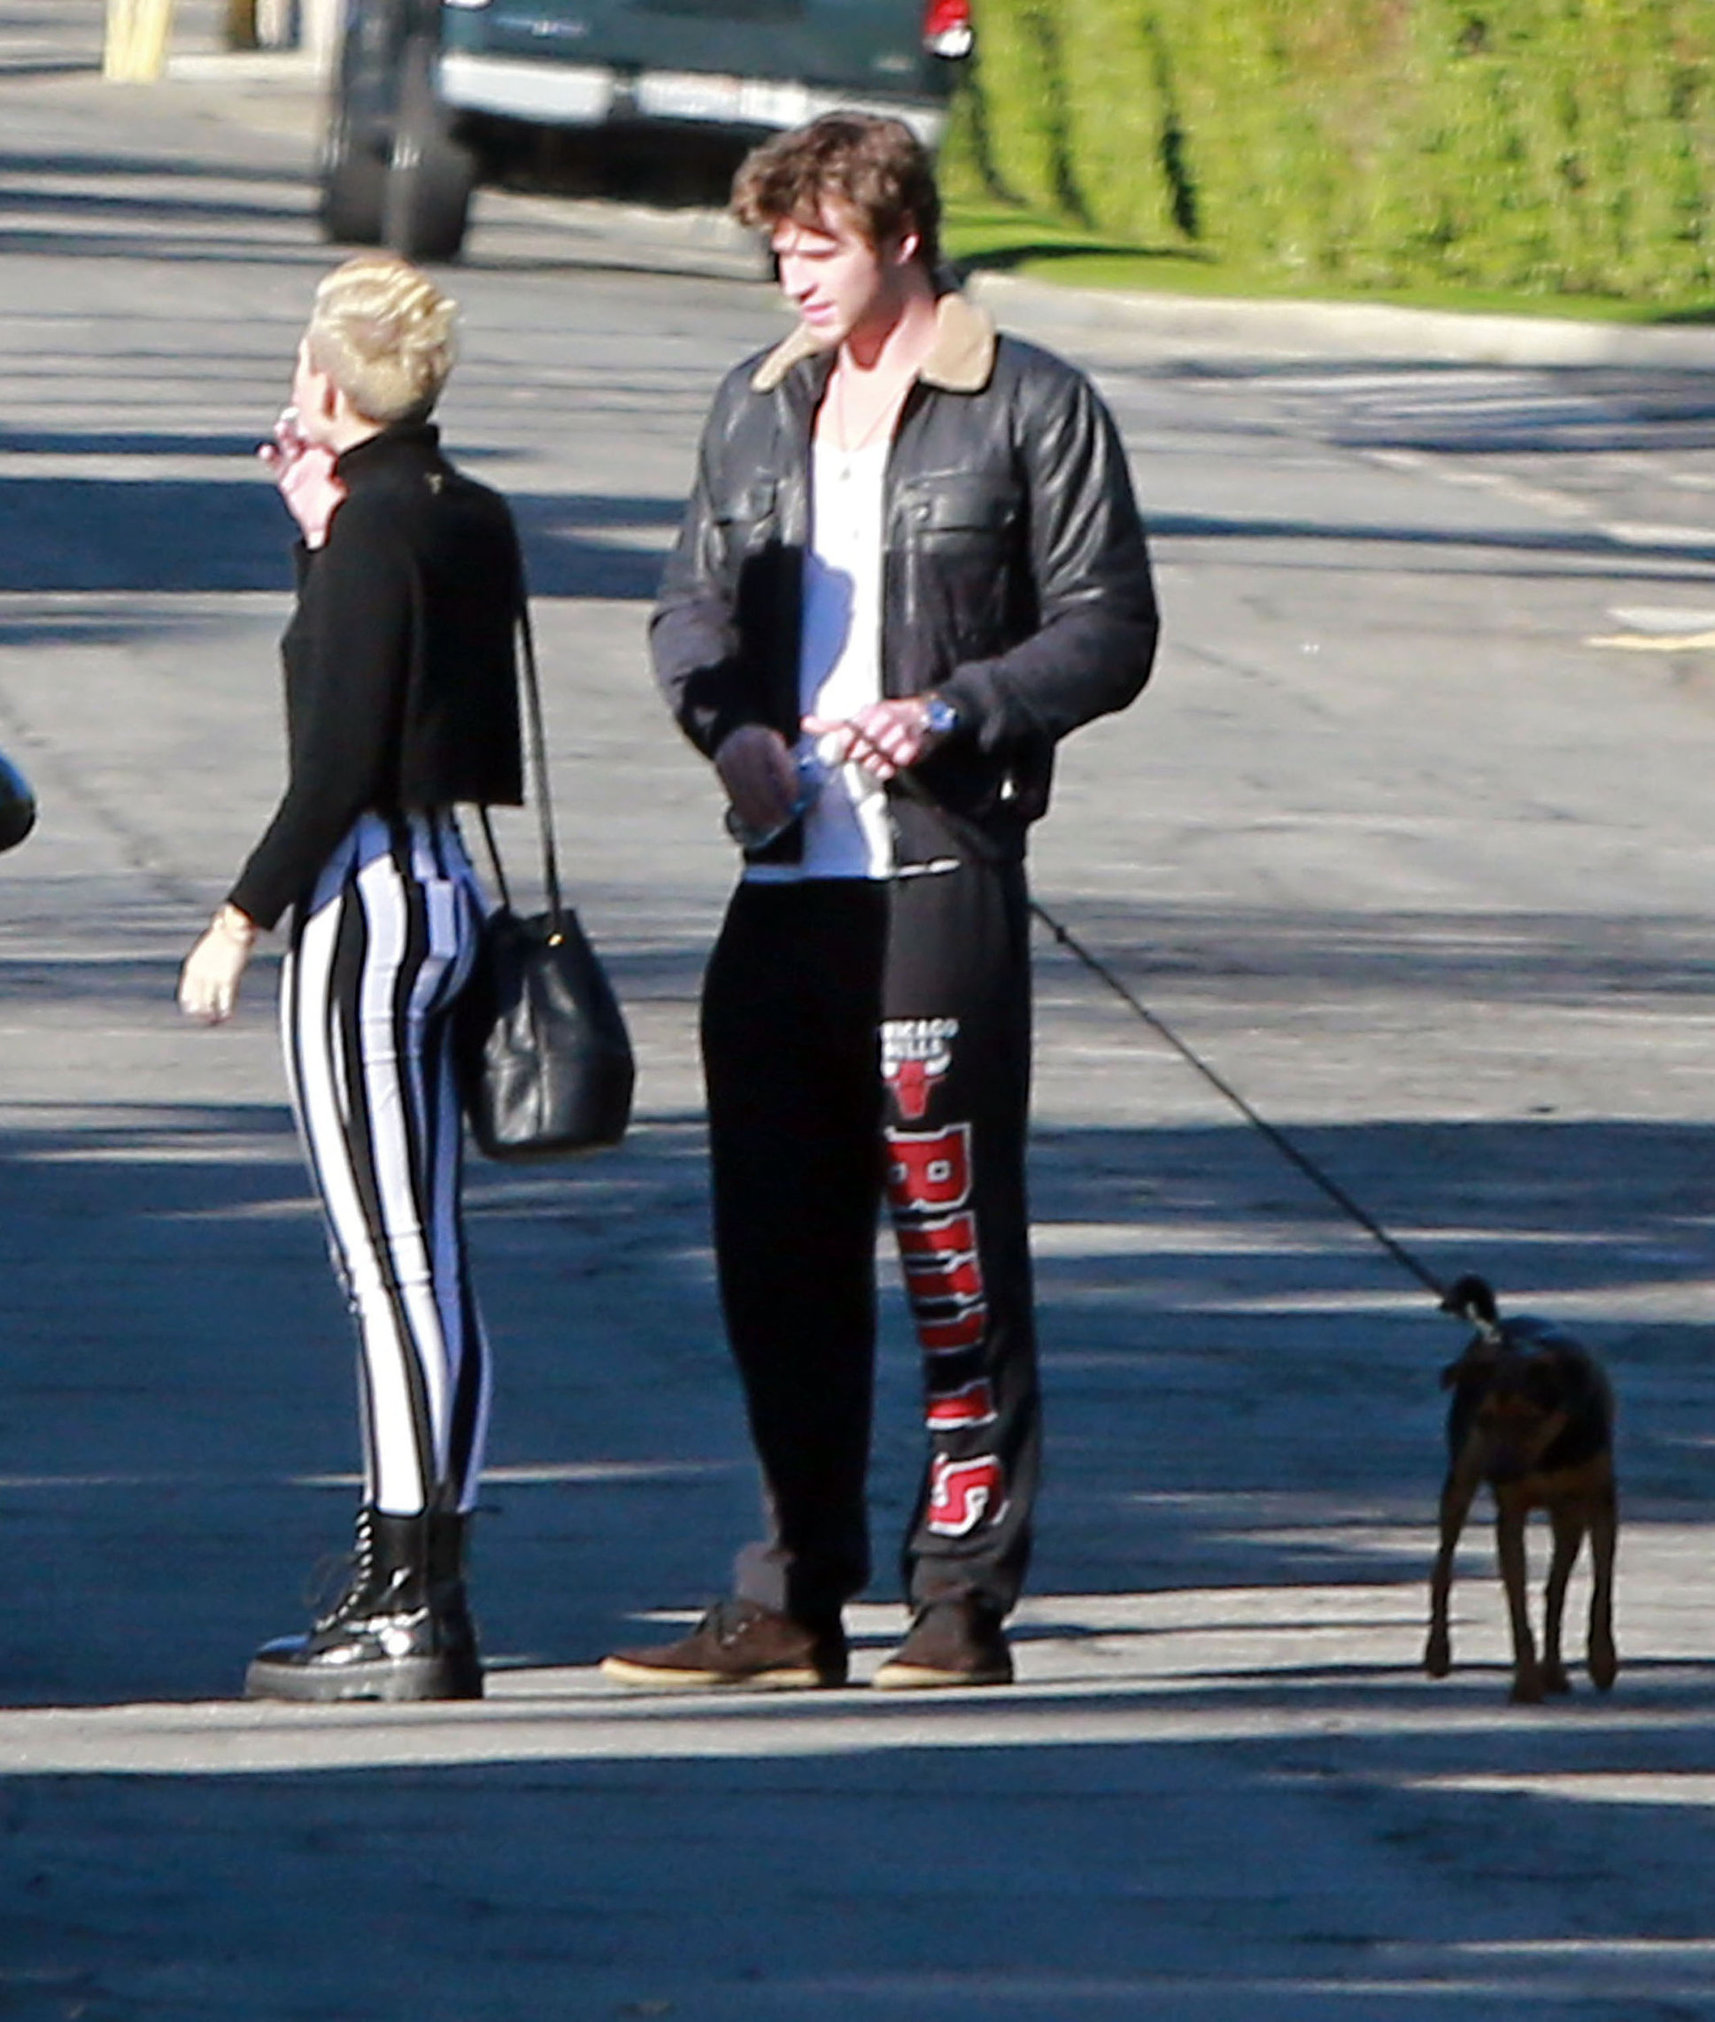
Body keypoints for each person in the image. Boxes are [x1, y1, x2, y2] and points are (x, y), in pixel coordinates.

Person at [604, 113, 1159, 1693]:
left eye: (819, 247)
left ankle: (961, 1595)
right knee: (774, 1252)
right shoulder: (755, 405)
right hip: (787, 880)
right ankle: (791, 1594)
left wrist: (956, 709)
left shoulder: (1029, 405)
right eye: (776, 249)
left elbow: (1109, 626)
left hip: (936, 875)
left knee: (950, 1240)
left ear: (902, 238)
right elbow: (688, 607)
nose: (792, 275)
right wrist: (731, 730)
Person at [177, 254, 523, 1702]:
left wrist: (239, 917)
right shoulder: (463, 512)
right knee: (429, 1257)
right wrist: (318, 535)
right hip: (448, 885)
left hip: (365, 900)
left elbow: (333, 754)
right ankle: (426, 1577)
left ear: (325, 385)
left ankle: (403, 1595)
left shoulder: (372, 532)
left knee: (386, 1267)